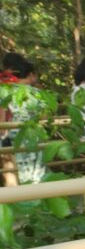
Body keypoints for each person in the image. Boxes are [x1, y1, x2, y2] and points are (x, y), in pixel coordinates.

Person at [0, 53, 47, 184]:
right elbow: (44, 116)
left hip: (13, 137)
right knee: (36, 171)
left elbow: (2, 117)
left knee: (16, 173)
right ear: (31, 74)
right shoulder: (38, 93)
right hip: (34, 136)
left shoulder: (5, 91)